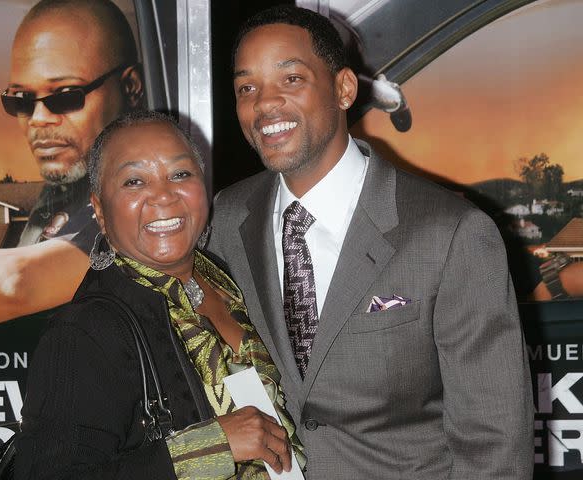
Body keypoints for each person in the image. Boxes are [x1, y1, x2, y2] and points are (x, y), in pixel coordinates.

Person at [208, 6, 534, 479]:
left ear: (343, 89)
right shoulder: (225, 219)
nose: (265, 104)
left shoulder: (451, 233)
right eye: (246, 88)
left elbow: (495, 442)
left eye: (291, 79)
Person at [15, 111, 305, 479]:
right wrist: (212, 446)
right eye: (134, 181)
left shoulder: (235, 282)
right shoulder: (85, 331)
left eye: (180, 174)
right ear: (100, 211)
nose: (164, 196)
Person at [0, 0, 142, 324]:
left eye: (65, 95)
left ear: (131, 86)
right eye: (20, 100)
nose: (38, 119)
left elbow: (16, 284)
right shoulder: (67, 189)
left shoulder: (143, 191)